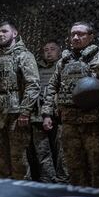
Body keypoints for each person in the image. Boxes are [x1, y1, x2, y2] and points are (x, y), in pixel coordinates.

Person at [42, 22, 99, 187]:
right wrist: (46, 113)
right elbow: (51, 87)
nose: (75, 37)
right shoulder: (63, 62)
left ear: (91, 36)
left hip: (95, 124)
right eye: (73, 34)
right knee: (74, 169)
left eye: (80, 34)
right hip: (69, 124)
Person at [0, 20, 40, 179]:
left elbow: (33, 85)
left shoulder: (24, 55)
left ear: (15, 33)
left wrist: (25, 111)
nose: (0, 34)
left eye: (4, 31)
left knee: (18, 161)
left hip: (15, 117)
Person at [31, 40, 66, 182]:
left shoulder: (64, 66)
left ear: (59, 51)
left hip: (59, 116)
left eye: (52, 49)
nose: (49, 52)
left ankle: (63, 180)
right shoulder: (35, 69)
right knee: (42, 151)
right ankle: (48, 180)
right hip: (38, 116)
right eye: (46, 49)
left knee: (62, 152)